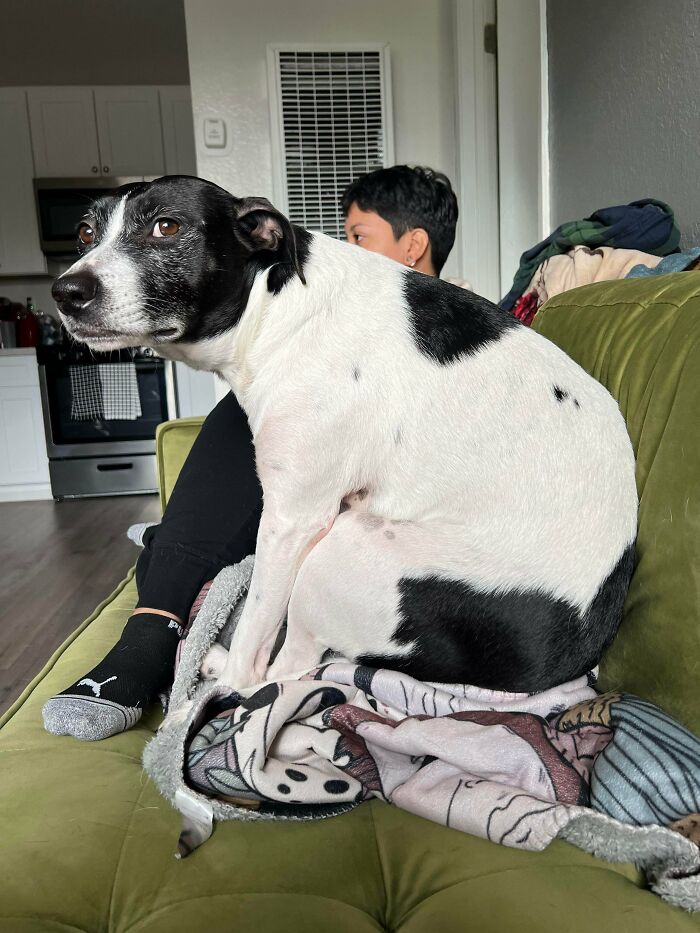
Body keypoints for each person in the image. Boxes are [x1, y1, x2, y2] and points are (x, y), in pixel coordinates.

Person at [42, 165, 460, 741]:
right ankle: (167, 577)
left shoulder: (458, 330)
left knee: (252, 413)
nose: (343, 248)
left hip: (406, 543)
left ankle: (158, 608)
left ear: (414, 245)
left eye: (359, 236)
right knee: (252, 403)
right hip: (326, 498)